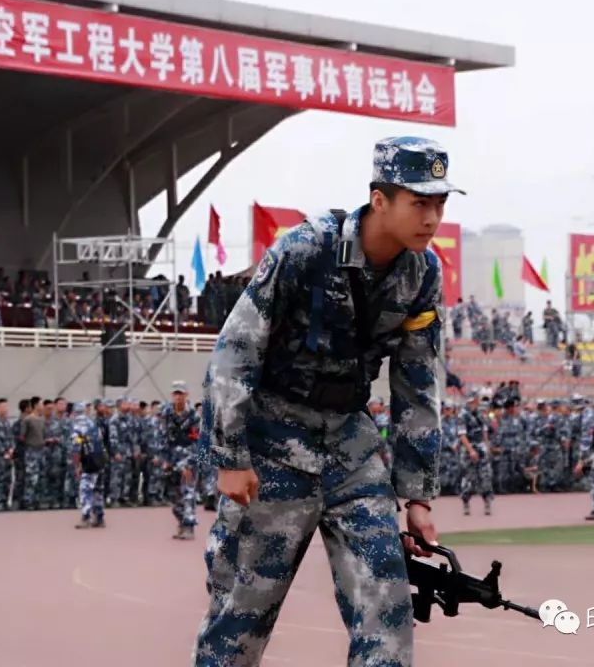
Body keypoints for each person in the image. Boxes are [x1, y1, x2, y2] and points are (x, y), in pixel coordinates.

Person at [194, 135, 453, 667]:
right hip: (271, 444)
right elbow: (236, 350)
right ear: (379, 200)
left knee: (387, 607)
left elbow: (417, 383)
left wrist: (418, 495)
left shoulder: (422, 275)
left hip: (350, 449)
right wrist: (230, 457)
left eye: (440, 203)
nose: (432, 217)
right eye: (419, 202)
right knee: (240, 619)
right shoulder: (306, 249)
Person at [162, 381, 200, 540]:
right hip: (172, 460)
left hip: (188, 459)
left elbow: (197, 442)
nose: (178, 397)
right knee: (173, 495)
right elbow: (163, 438)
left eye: (181, 393)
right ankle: (181, 521)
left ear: (186, 395)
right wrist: (165, 460)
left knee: (188, 493)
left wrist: (188, 465)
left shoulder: (194, 416)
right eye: (175, 393)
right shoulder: (166, 413)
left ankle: (189, 526)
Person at [70, 402, 106, 529]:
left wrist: (77, 466)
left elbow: (76, 447)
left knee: (85, 489)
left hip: (88, 462)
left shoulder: (77, 427)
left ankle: (85, 517)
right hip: (100, 459)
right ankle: (100, 517)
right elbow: (101, 441)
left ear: (73, 413)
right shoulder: (93, 424)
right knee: (98, 490)